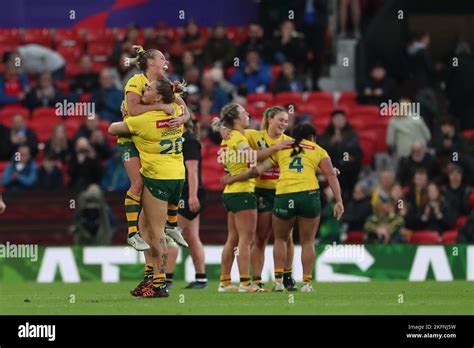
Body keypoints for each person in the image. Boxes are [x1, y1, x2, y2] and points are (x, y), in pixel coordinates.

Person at [223, 123, 344, 292]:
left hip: (284, 194)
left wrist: (233, 179)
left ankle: (278, 282)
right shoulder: (318, 149)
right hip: (308, 195)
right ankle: (307, 283)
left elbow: (257, 170)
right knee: (307, 241)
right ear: (312, 137)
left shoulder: (282, 149)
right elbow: (330, 174)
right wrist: (338, 201)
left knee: (280, 239)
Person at [109, 78, 185, 298]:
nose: (145, 89)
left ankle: (159, 284)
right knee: (146, 226)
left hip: (157, 178)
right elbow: (181, 107)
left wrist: (128, 116)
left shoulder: (145, 120)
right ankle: (150, 277)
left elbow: (112, 129)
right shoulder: (176, 113)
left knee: (156, 233)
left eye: (149, 88)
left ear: (159, 96)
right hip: (177, 176)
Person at [117, 45, 190, 253]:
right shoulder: (136, 81)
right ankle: (132, 234)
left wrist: (182, 118)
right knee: (138, 183)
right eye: (162, 58)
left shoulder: (163, 84)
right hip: (130, 138)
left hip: (151, 141)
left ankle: (170, 225)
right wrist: (160, 107)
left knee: (157, 191)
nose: (166, 62)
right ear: (151, 63)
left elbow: (185, 110)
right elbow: (133, 110)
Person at [216, 103, 293, 293]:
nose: (248, 114)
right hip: (243, 192)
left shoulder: (234, 136)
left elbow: (217, 123)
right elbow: (251, 156)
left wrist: (222, 127)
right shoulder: (242, 136)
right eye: (243, 113)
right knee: (247, 239)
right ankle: (246, 283)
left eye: (286, 120)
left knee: (233, 239)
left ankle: (225, 282)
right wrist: (276, 149)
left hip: (233, 192)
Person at [165, 119, 209, 289]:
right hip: (189, 193)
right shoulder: (186, 140)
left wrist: (191, 195)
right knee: (191, 236)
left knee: (171, 234)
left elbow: (192, 170)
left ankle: (166, 279)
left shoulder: (189, 141)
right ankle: (201, 279)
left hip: (188, 193)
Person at [319, 109, 362, 199]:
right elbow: (321, 150)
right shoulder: (326, 134)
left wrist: (341, 142)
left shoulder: (351, 133)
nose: (339, 121)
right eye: (337, 119)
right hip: (332, 164)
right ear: (332, 120)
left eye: (341, 119)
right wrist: (333, 142)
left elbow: (356, 149)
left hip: (349, 166)